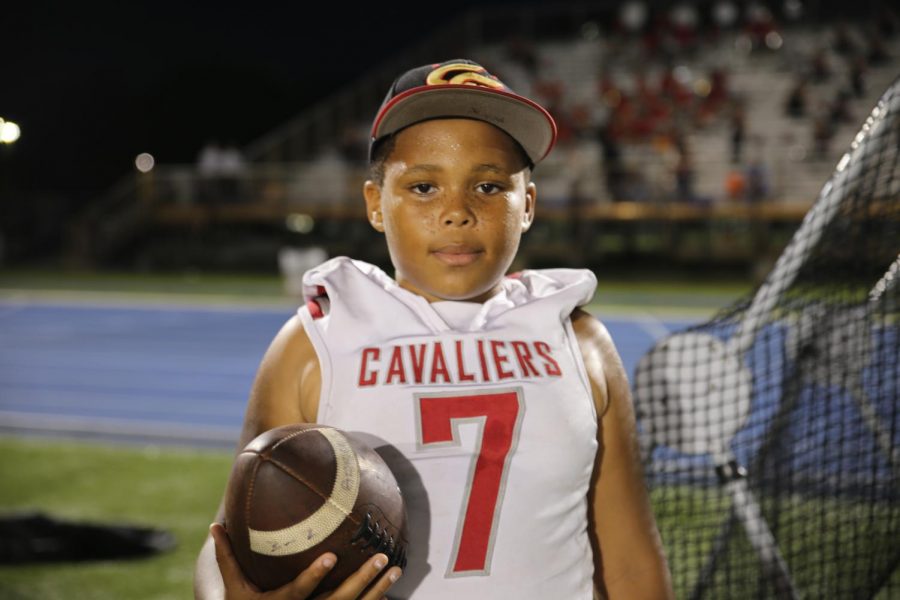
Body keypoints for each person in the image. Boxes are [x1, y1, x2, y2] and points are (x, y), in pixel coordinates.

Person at [193, 58, 673, 600]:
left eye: (489, 187)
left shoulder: (580, 341)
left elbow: (631, 561)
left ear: (529, 206)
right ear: (376, 204)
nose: (457, 212)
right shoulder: (317, 342)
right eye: (423, 187)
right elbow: (229, 540)